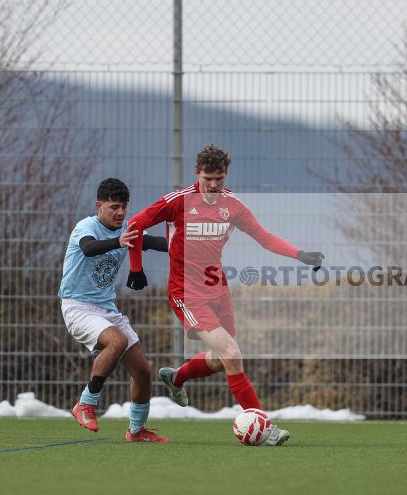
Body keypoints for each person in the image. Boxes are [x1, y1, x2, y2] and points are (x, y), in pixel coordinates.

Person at [125, 145, 324, 446]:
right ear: (198, 174)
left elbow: (264, 237)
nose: (214, 185)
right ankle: (263, 426)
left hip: (217, 288)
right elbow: (135, 224)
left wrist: (300, 254)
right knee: (232, 354)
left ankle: (176, 378)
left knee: (222, 359)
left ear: (225, 175)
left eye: (219, 178)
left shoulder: (232, 205)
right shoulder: (178, 201)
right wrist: (136, 269)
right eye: (208, 178)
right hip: (187, 292)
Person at [59, 178, 171, 442]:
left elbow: (154, 242)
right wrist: (119, 242)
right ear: (100, 206)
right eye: (114, 207)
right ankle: (85, 403)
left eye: (124, 207)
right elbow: (88, 249)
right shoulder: (86, 227)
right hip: (77, 307)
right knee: (117, 340)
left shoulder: (126, 230)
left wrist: (191, 245)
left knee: (143, 370)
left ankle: (136, 431)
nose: (120, 213)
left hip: (106, 309)